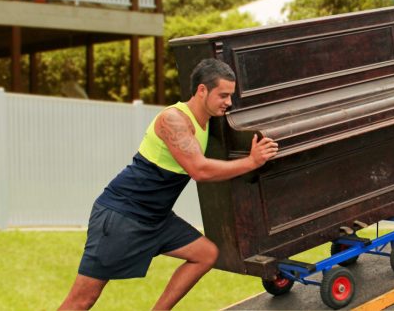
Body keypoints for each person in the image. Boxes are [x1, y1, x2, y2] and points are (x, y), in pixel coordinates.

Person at [59, 59, 279, 310]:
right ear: (202, 90)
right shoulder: (173, 120)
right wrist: (252, 162)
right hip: (123, 214)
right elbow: (200, 170)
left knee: (205, 254)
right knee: (82, 300)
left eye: (230, 95)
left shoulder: (208, 120)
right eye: (223, 95)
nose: (228, 102)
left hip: (156, 217)